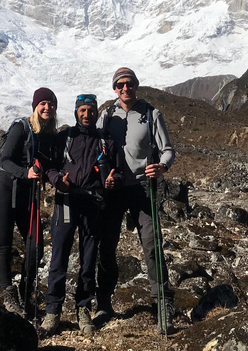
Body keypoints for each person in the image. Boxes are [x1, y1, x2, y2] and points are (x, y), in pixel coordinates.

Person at [96, 67, 176, 326]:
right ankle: (104, 302)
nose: (125, 88)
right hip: (115, 188)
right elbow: (94, 147)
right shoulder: (106, 116)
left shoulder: (152, 113)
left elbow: (167, 150)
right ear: (114, 88)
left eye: (129, 83)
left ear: (136, 85)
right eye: (120, 84)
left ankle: (162, 300)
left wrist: (161, 167)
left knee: (152, 243)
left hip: (143, 188)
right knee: (106, 245)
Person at [40, 94, 123, 336]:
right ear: (76, 112)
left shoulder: (106, 141)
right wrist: (58, 181)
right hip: (67, 199)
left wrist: (113, 181)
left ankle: (83, 308)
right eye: (82, 110)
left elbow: (117, 171)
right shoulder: (64, 138)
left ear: (97, 113)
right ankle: (52, 310)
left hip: (93, 203)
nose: (87, 115)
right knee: (59, 256)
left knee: (88, 258)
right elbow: (50, 168)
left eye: (91, 110)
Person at [0, 87, 58, 317]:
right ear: (35, 106)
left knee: (35, 247)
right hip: (5, 189)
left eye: (51, 104)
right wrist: (25, 172)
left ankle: (26, 292)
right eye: (43, 104)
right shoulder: (21, 127)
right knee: (4, 245)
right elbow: (2, 161)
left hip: (27, 194)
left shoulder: (48, 134)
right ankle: (9, 294)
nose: (47, 107)